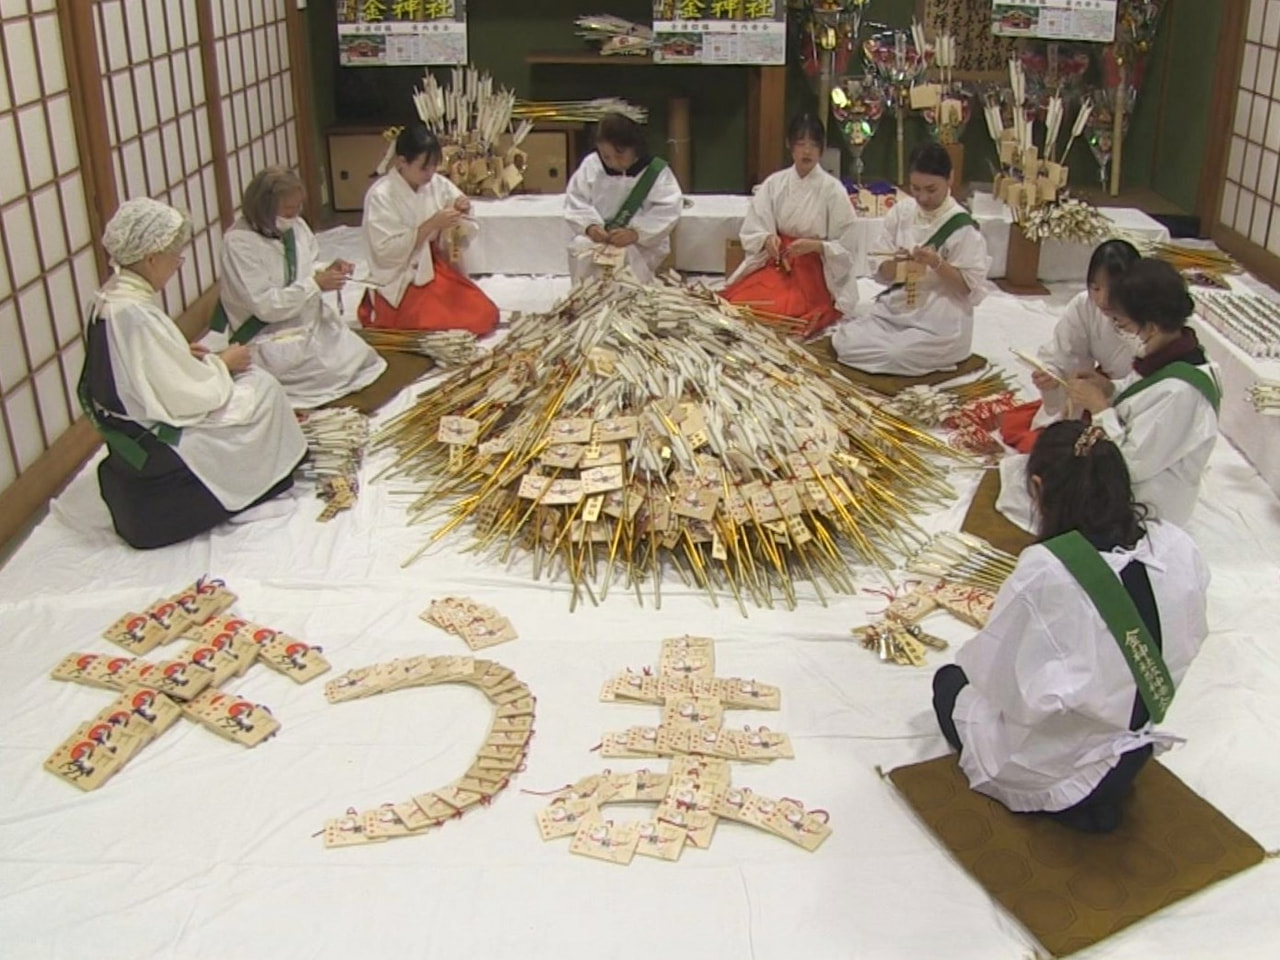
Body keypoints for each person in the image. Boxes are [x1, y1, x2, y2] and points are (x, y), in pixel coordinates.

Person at [934, 420, 1210, 833]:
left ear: (1040, 489)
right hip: (1132, 745)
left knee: (949, 682)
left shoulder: (1049, 569)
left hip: (1055, 766)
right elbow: (1188, 637)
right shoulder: (1176, 544)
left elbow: (1000, 682)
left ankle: (1062, 794)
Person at [79, 198, 307, 549]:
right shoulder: (134, 313)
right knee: (262, 390)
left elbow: (126, 363)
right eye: (175, 257)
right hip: (153, 430)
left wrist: (179, 354)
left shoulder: (111, 297)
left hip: (132, 415)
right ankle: (258, 486)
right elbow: (186, 397)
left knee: (252, 383)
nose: (177, 266)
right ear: (152, 258)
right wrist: (223, 363)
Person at [997, 258, 1219, 531]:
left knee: (1036, 488)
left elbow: (1130, 466)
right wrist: (1109, 388)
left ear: (1150, 327)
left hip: (1146, 501)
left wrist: (1101, 409)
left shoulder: (1182, 393)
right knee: (1022, 471)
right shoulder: (1172, 350)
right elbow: (1140, 391)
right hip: (1131, 465)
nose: (1119, 332)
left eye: (1122, 325)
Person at [217, 167, 386, 408]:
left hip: (304, 316)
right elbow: (265, 306)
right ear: (264, 208)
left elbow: (306, 266)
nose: (295, 215)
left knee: (358, 356)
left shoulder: (294, 225)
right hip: (269, 330)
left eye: (298, 208)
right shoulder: (239, 244)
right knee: (325, 371)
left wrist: (328, 269)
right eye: (288, 210)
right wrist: (315, 284)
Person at [831, 142, 990, 375]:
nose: (922, 197)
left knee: (896, 355)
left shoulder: (963, 228)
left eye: (931, 189)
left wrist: (937, 263)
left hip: (938, 319)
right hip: (897, 310)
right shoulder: (902, 212)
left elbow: (968, 288)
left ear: (950, 179)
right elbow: (881, 270)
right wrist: (896, 265)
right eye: (916, 188)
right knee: (845, 340)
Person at [720, 114, 858, 336]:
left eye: (813, 145)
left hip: (813, 267)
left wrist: (817, 246)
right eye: (801, 144)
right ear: (790, 146)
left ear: (822, 149)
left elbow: (847, 243)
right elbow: (756, 225)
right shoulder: (776, 183)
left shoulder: (833, 190)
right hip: (779, 261)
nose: (807, 151)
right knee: (742, 303)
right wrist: (767, 239)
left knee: (783, 312)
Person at [999, 239, 1141, 452]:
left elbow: (1149, 383)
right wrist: (1053, 376)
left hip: (1136, 405)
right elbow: (1067, 356)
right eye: (1095, 288)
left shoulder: (1148, 317)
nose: (1102, 300)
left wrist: (1108, 395)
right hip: (1098, 392)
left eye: (1114, 290)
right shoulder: (1085, 305)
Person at [359, 123, 499, 334]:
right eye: (424, 167)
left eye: (434, 166)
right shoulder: (381, 195)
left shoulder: (435, 183)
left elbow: (458, 209)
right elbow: (385, 252)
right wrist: (432, 224)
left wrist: (462, 207)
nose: (431, 173)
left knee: (485, 315)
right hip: (402, 277)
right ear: (402, 162)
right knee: (438, 327)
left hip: (434, 267)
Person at [564, 112, 683, 284]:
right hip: (602, 235)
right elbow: (577, 200)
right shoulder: (592, 165)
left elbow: (667, 210)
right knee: (580, 247)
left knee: (627, 259)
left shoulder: (655, 172)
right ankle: (585, 298)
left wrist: (636, 233)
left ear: (635, 147)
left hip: (641, 243)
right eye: (606, 156)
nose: (614, 163)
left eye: (620, 155)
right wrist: (590, 227)